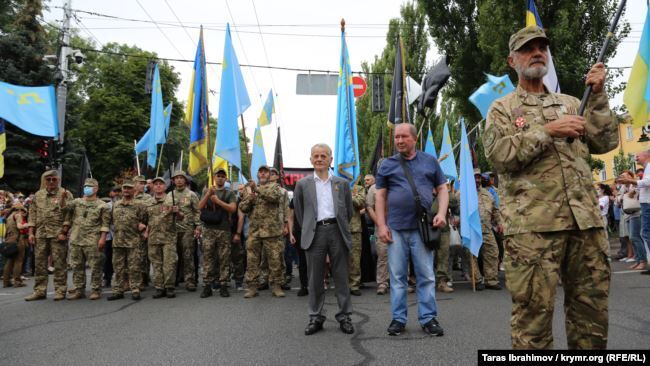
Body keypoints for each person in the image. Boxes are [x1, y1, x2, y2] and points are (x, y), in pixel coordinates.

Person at [482, 26, 618, 349]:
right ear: (512, 60)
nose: (537, 52)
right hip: (533, 232)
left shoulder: (573, 103)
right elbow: (499, 155)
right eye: (528, 48)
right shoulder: (502, 109)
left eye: (542, 46)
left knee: (591, 323)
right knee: (533, 327)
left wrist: (597, 96)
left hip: (584, 226)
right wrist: (548, 130)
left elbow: (606, 139)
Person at [375, 123, 448, 337]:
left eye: (403, 137)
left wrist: (442, 213)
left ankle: (428, 318)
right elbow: (380, 196)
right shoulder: (387, 164)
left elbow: (442, 189)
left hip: (422, 228)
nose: (399, 141)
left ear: (414, 139)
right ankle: (398, 319)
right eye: (397, 137)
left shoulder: (429, 161)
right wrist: (381, 225)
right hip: (395, 228)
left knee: (426, 275)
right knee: (398, 277)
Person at [293, 143, 354, 335]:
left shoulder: (341, 184)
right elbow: (300, 213)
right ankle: (315, 317)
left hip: (337, 231)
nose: (319, 159)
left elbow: (348, 212)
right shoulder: (302, 184)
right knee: (315, 279)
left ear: (330, 160)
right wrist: (312, 227)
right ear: (310, 159)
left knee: (341, 277)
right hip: (315, 233)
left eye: (323, 156)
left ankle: (344, 316)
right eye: (316, 156)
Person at [25, 170, 74, 301]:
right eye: (48, 179)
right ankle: (40, 291)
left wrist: (64, 231)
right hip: (41, 233)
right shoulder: (38, 194)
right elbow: (32, 214)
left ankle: (60, 290)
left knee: (59, 263)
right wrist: (31, 233)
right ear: (44, 181)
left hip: (58, 234)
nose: (51, 182)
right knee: (40, 263)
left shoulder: (65, 193)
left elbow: (69, 214)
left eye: (54, 179)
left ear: (58, 180)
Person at [238, 165, 286, 298]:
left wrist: (257, 189)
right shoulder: (249, 189)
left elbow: (274, 198)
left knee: (274, 260)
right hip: (255, 231)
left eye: (266, 172)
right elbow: (242, 207)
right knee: (252, 260)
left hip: (272, 231)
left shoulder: (275, 188)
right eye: (261, 172)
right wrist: (249, 199)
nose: (263, 174)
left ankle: (276, 286)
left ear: (269, 175)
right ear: (258, 174)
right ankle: (252, 287)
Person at [64, 178, 111, 300]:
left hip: (93, 240)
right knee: (76, 266)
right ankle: (79, 289)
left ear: (96, 189)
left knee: (96, 266)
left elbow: (105, 224)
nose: (87, 188)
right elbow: (64, 208)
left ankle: (96, 289)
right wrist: (65, 195)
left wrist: (102, 239)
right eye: (85, 186)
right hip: (76, 239)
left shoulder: (102, 205)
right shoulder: (77, 202)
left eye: (89, 186)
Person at [198, 168, 237, 298]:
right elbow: (199, 207)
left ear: (225, 179)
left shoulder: (229, 192)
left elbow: (232, 208)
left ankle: (223, 285)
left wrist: (218, 201)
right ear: (214, 177)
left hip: (223, 229)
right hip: (208, 229)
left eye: (222, 176)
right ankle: (207, 285)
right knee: (208, 257)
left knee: (224, 258)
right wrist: (208, 194)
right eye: (218, 176)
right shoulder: (207, 190)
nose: (220, 178)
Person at [108, 180, 146, 301]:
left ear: (134, 190)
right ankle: (118, 290)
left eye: (129, 188)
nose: (126, 190)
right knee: (118, 267)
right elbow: (112, 221)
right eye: (124, 188)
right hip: (118, 240)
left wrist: (142, 225)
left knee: (134, 267)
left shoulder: (139, 205)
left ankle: (135, 289)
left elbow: (144, 220)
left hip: (133, 241)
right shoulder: (117, 204)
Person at [145, 177, 181, 298]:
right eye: (156, 184)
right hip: (153, 238)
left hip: (168, 237)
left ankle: (169, 287)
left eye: (161, 184)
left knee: (169, 263)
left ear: (165, 187)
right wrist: (143, 228)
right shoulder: (148, 203)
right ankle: (159, 287)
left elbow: (181, 217)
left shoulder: (171, 201)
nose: (158, 186)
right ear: (153, 187)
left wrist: (177, 212)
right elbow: (143, 219)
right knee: (156, 264)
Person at [618, 150, 650, 275]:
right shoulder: (647, 168)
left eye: (638, 155)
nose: (636, 157)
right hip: (645, 204)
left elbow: (648, 182)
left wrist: (631, 181)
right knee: (644, 233)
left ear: (647, 156)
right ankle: (645, 261)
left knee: (645, 233)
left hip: (647, 204)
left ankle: (644, 260)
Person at [171, 171, 201, 292]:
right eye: (176, 178)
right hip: (173, 230)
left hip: (187, 230)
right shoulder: (170, 195)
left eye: (181, 178)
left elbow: (197, 211)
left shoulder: (191, 194)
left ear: (185, 180)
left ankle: (190, 281)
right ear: (173, 181)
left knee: (188, 256)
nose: (179, 180)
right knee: (173, 257)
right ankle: (173, 279)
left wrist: (198, 227)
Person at [475, 169, 503, 290]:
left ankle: (491, 280)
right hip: (472, 230)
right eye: (474, 177)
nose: (477, 180)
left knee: (493, 252)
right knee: (472, 255)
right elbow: (455, 210)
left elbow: (495, 210)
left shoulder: (488, 194)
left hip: (486, 228)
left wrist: (500, 223)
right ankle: (477, 280)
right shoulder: (463, 194)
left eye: (478, 177)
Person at [365, 174, 389, 295]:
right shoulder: (373, 188)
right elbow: (369, 207)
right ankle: (382, 283)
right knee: (382, 255)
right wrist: (380, 223)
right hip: (380, 226)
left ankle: (402, 281)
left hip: (398, 226)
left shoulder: (397, 184)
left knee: (402, 255)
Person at [616, 171, 645, 270]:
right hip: (627, 214)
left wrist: (626, 195)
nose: (621, 178)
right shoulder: (623, 187)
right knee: (632, 239)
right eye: (621, 176)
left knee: (635, 237)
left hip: (636, 213)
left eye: (623, 176)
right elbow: (618, 200)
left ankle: (642, 261)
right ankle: (638, 260)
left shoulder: (635, 183)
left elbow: (634, 194)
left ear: (629, 177)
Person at [134, 175, 154, 290]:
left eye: (143, 183)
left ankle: (143, 279)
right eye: (140, 183)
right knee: (130, 257)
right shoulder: (129, 197)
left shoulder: (148, 198)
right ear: (134, 184)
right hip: (130, 231)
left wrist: (147, 230)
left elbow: (152, 215)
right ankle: (130, 279)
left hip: (143, 231)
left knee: (143, 256)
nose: (143, 185)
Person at [2, 203, 28, 287]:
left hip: (9, 240)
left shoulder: (9, 217)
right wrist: (29, 224)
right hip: (18, 240)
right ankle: (17, 281)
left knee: (9, 261)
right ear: (19, 210)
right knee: (18, 261)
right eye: (22, 210)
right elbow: (19, 226)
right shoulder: (18, 215)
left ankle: (6, 282)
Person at [348, 184, 366, 296]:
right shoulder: (334, 186)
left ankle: (354, 285)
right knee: (340, 259)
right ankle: (342, 286)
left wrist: (347, 195)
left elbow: (360, 203)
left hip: (354, 228)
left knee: (355, 258)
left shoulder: (358, 188)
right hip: (338, 228)